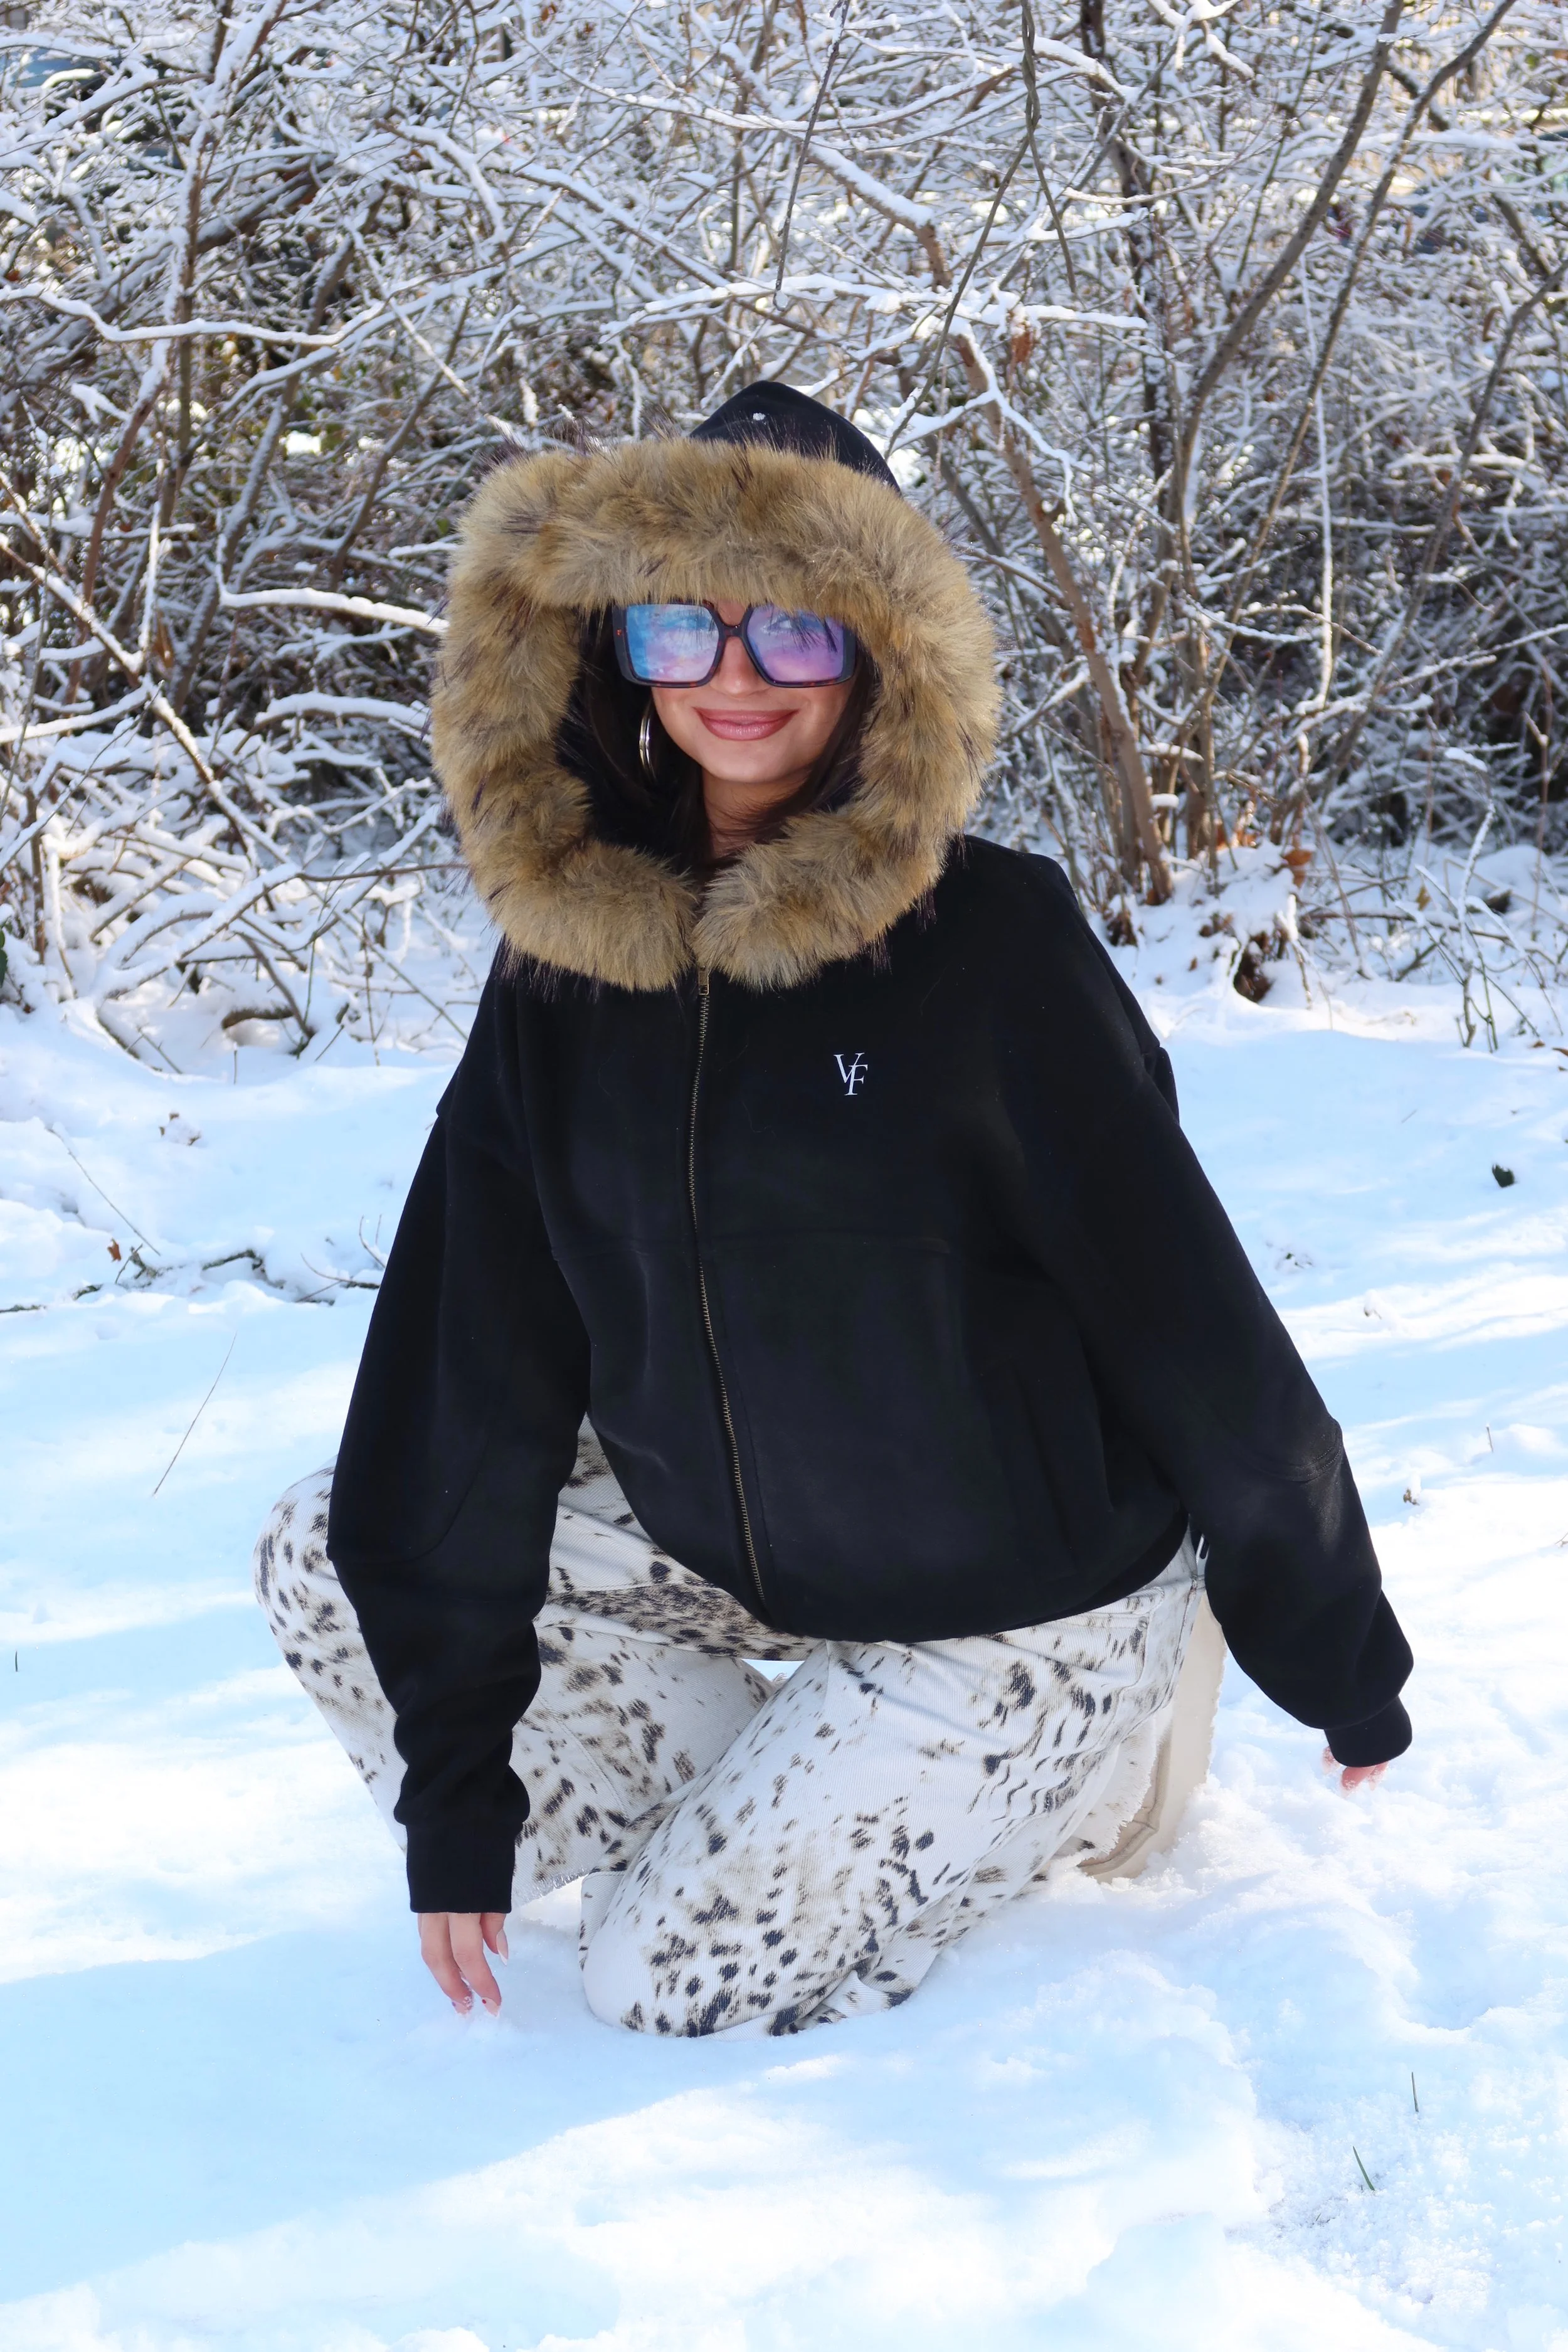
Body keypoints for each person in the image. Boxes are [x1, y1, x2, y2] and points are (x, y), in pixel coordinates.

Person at [254, 382, 1412, 2040]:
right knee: (322, 1549)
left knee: (656, 1979)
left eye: (794, 631)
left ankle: (1087, 1764)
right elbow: (469, 1374)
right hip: (750, 1557)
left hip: (1025, 1598)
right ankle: (809, 1807)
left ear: (877, 654)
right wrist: (455, 1792)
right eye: (683, 625)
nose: (734, 678)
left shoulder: (991, 944)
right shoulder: (568, 975)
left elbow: (1193, 1328)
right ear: (616, 648)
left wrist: (1336, 1650)